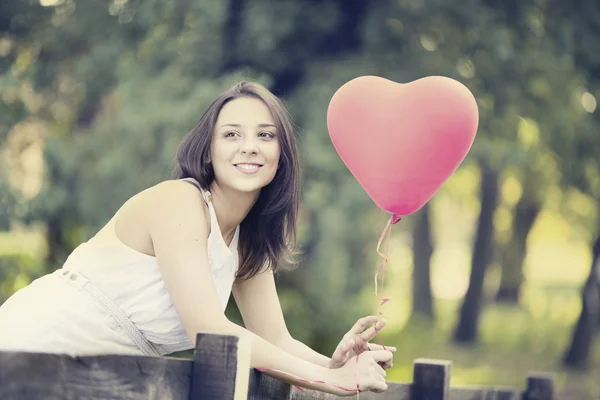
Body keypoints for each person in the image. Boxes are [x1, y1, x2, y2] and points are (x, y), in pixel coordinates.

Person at [0, 81, 395, 396]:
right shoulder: (179, 201)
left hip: (104, 376)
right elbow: (208, 331)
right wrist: (331, 382)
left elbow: (274, 338)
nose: (250, 147)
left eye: (265, 135)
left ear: (282, 154)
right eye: (232, 134)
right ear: (208, 151)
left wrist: (335, 365)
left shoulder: (247, 239)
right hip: (34, 346)